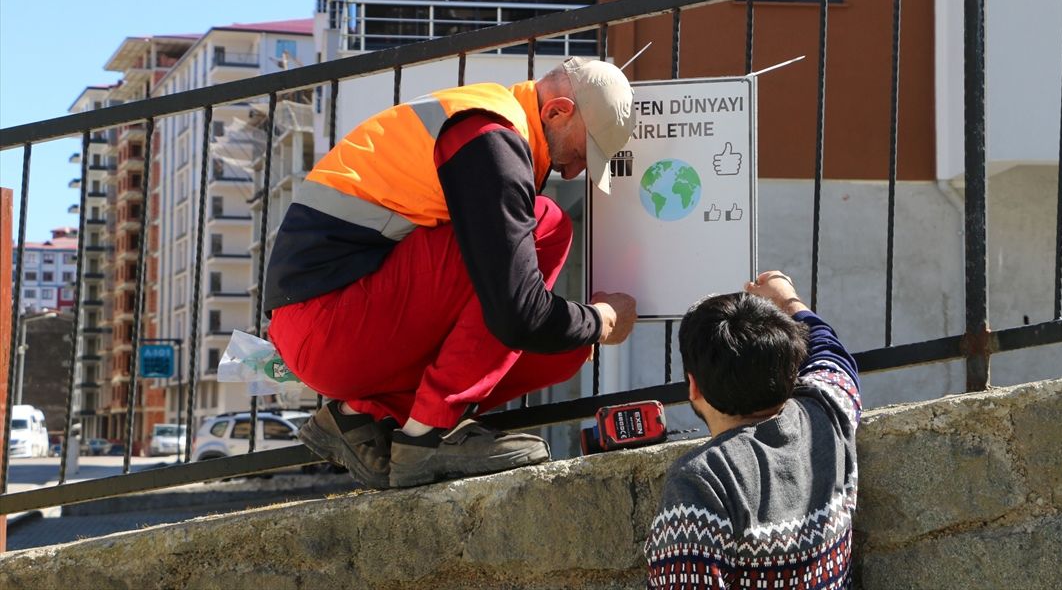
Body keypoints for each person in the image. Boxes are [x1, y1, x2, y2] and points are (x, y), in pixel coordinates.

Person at [264, 57, 639, 489]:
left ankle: (360, 418)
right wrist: (602, 320)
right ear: (557, 111)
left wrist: (584, 330)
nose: (575, 171)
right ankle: (430, 434)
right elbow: (515, 313)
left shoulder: (490, 128)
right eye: (581, 151)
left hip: (329, 324)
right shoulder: (487, 135)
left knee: (565, 348)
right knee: (547, 224)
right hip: (327, 321)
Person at [644, 270, 861, 589]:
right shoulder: (827, 416)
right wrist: (788, 300)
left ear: (693, 387)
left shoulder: (701, 481)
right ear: (792, 368)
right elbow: (831, 356)